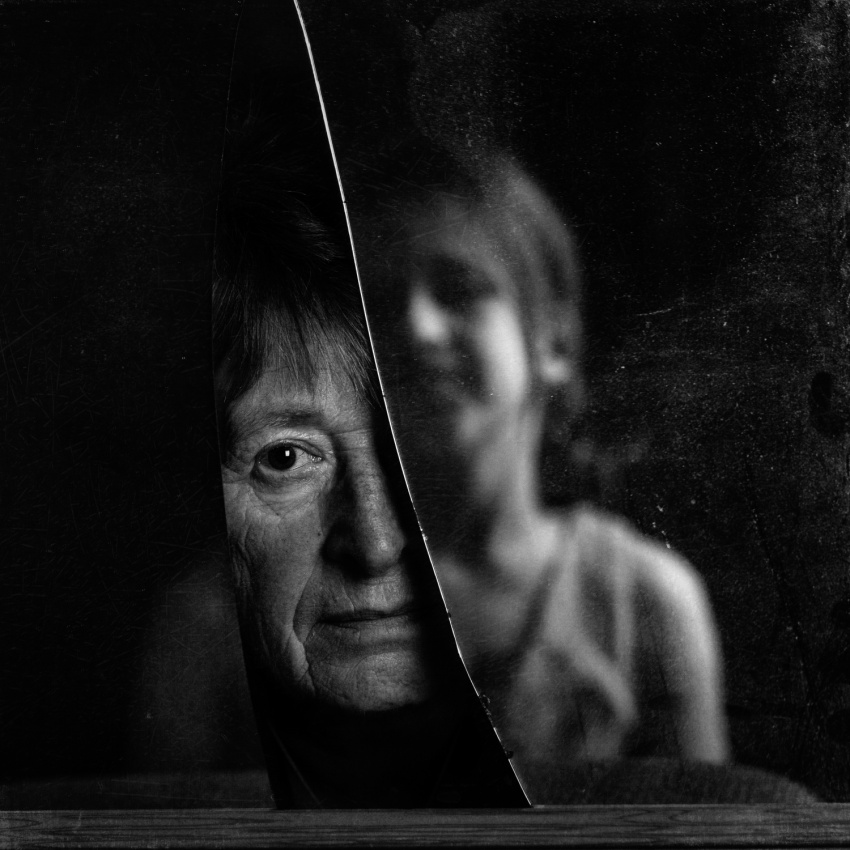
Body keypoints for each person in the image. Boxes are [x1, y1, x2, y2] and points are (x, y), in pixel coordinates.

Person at [211, 111, 804, 807]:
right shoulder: (232, 608)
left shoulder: (641, 599)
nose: (416, 326)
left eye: (459, 290)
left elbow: (700, 818)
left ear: (552, 343)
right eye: (378, 302)